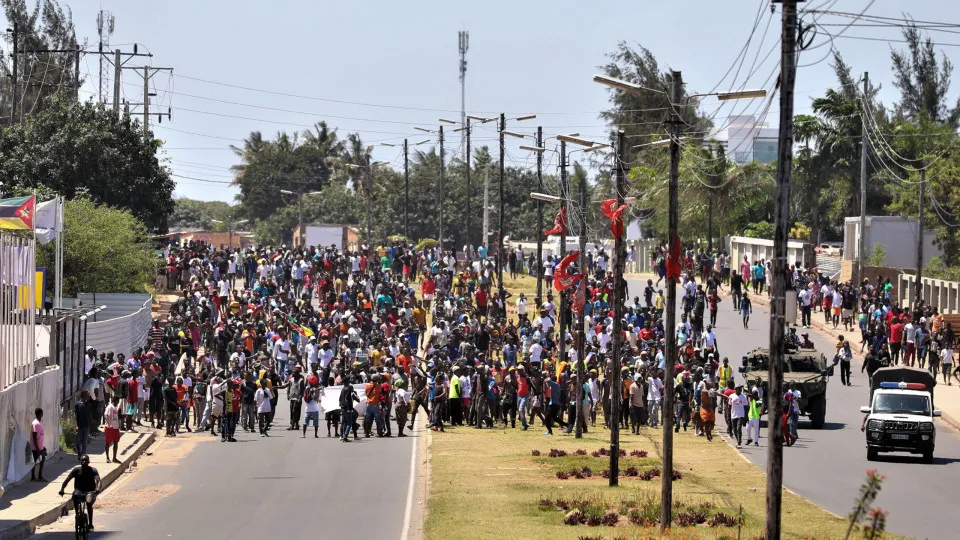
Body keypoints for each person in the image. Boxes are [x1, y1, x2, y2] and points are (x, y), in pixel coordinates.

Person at [58, 454, 101, 532]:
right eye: (82, 460)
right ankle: (77, 514)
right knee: (74, 495)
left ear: (89, 462)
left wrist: (97, 488)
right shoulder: (76, 470)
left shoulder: (93, 470)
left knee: (88, 505)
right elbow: (67, 480)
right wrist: (62, 489)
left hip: (90, 491)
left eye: (86, 460)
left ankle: (90, 524)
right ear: (80, 461)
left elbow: (98, 481)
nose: (84, 462)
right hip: (79, 491)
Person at [30, 407, 47, 482]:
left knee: (42, 459)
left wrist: (42, 446)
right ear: (40, 414)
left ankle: (40, 476)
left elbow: (40, 435)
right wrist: (37, 448)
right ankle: (33, 477)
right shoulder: (35, 423)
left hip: (40, 446)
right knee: (34, 461)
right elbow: (34, 436)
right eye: (42, 413)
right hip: (35, 447)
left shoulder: (40, 422)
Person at [103, 397, 122, 463]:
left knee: (116, 442)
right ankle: (107, 458)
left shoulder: (116, 408)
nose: (118, 402)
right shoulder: (110, 407)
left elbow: (117, 417)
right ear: (114, 400)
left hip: (115, 427)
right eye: (117, 401)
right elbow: (105, 415)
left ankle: (114, 458)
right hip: (109, 427)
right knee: (108, 443)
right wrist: (108, 422)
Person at [74, 391, 92, 458]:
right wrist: (76, 425)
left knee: (84, 443)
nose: (87, 396)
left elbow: (89, 416)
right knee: (78, 443)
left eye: (87, 395)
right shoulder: (77, 404)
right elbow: (75, 416)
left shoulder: (89, 405)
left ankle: (82, 456)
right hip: (80, 426)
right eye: (85, 395)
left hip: (86, 426)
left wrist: (91, 426)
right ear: (82, 396)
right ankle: (79, 453)